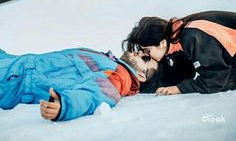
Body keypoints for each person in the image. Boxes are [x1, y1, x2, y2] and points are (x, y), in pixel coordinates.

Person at [0, 47, 157, 121]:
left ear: (141, 76)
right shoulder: (107, 59)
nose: (141, 53)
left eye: (146, 59)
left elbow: (100, 92)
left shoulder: (121, 76)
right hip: (10, 61)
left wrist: (66, 104)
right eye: (143, 51)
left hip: (11, 82)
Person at [123, 10, 236, 95]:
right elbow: (185, 71)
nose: (146, 55)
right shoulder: (174, 38)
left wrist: (179, 89)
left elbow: (215, 79)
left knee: (224, 82)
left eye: (147, 50)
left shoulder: (192, 37)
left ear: (162, 43)